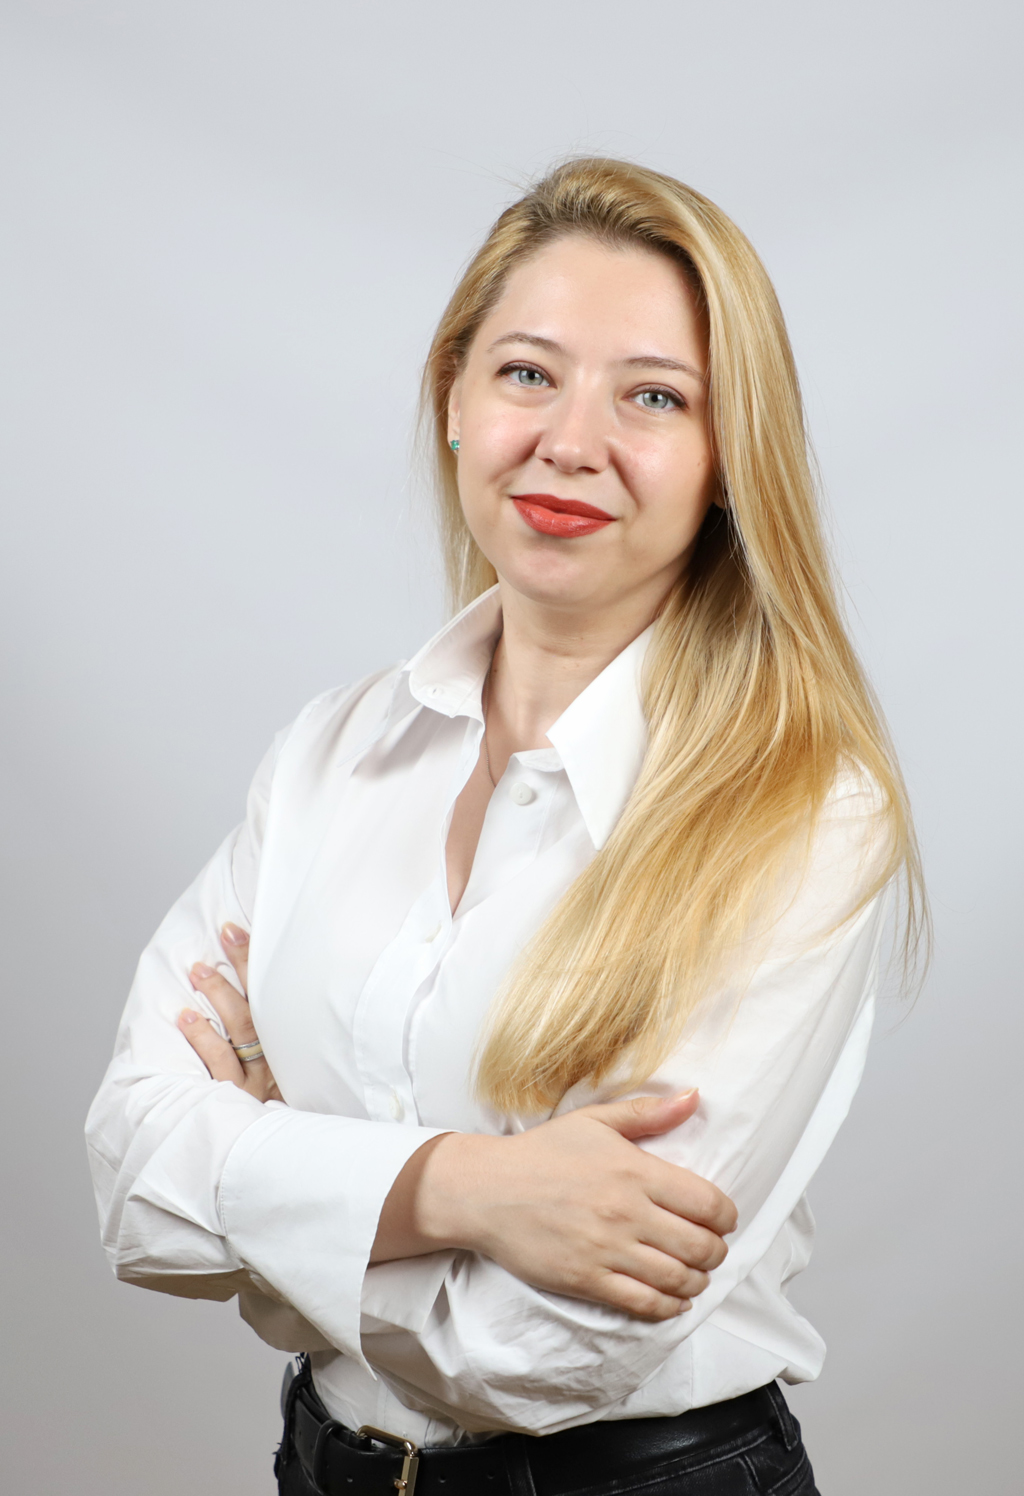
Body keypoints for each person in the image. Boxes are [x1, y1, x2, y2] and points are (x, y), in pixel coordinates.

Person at [86, 157, 925, 1496]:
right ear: (455, 402)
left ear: (727, 459)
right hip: (324, 1467)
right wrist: (470, 1191)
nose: (570, 442)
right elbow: (131, 1172)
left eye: (654, 396)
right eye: (528, 373)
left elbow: (542, 1354)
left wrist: (262, 1183)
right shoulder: (330, 753)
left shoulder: (803, 809)